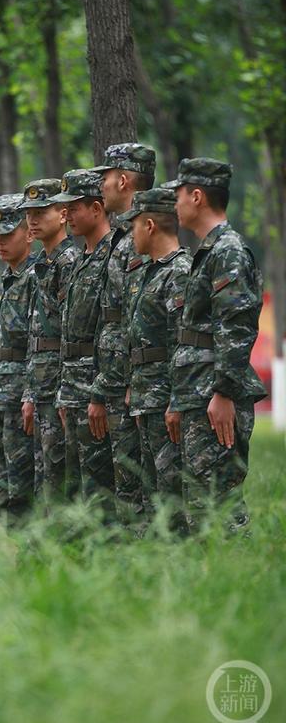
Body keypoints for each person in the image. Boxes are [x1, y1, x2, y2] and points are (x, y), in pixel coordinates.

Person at [162, 159, 266, 532]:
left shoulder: (228, 252)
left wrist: (223, 392)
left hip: (215, 395)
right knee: (200, 508)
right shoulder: (209, 252)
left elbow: (236, 328)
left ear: (197, 195)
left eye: (178, 195)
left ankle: (237, 576)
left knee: (221, 508)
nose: (174, 204)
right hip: (197, 391)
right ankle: (213, 577)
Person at [88, 142, 156, 525]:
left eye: (106, 177)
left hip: (132, 386)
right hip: (118, 383)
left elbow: (137, 320)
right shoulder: (122, 237)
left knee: (138, 490)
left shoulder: (141, 239)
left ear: (124, 180)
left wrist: (118, 383)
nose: (101, 185)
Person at [120, 188, 191, 532]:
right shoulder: (150, 271)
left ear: (149, 225)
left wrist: (177, 400)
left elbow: (181, 343)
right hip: (147, 398)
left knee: (170, 493)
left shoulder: (178, 271)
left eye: (133, 226)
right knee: (151, 493)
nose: (130, 233)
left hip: (166, 401)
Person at [54, 169, 116, 519]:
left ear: (96, 208)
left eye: (73, 208)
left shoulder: (112, 258)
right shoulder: (80, 260)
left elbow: (111, 332)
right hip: (73, 390)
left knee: (100, 489)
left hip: (95, 388)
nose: (66, 215)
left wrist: (100, 393)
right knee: (76, 487)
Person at [19, 179, 80, 508]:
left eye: (42, 211)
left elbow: (70, 334)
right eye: (29, 213)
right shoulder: (40, 265)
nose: (33, 219)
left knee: (60, 478)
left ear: (62, 214)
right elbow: (36, 336)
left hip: (60, 387)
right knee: (44, 477)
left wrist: (63, 393)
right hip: (41, 388)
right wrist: (30, 391)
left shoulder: (69, 262)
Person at [0, 194, 37, 528]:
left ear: (28, 233)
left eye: (8, 234)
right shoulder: (9, 278)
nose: (0, 242)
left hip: (22, 396)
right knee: (3, 484)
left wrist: (30, 393)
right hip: (2, 393)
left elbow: (39, 343)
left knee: (22, 484)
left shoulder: (37, 276)